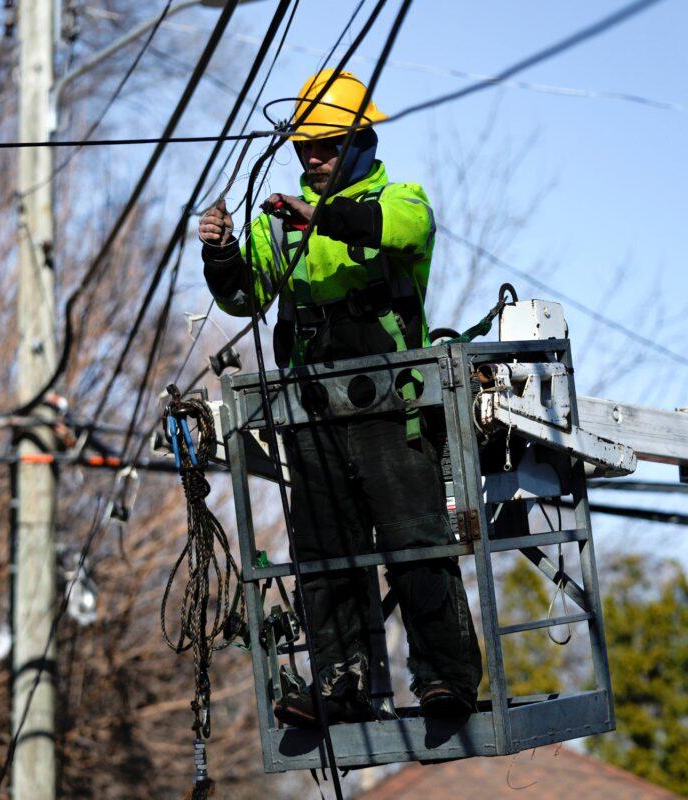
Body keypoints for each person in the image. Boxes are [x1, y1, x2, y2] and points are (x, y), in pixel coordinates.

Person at [197, 70, 482, 726]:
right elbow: (248, 298)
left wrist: (317, 216)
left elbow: (400, 231)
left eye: (326, 145)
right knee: (326, 557)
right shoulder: (280, 227)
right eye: (305, 148)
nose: (314, 158)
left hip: (392, 413)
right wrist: (222, 256)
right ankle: (339, 681)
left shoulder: (402, 200)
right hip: (314, 416)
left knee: (415, 546)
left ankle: (444, 678)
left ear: (359, 141)